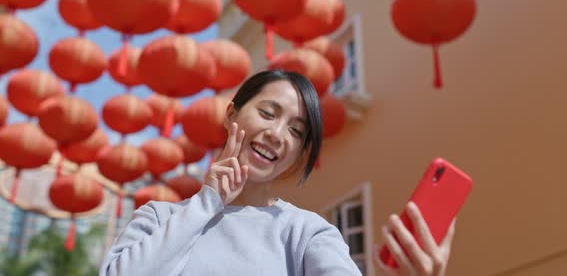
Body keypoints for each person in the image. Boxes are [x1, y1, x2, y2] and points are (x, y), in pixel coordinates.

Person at [99, 69, 456, 276]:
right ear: (231, 114)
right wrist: (206, 204)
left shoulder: (307, 233)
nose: (277, 134)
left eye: (297, 131)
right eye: (268, 113)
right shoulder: (159, 218)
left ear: (301, 153)